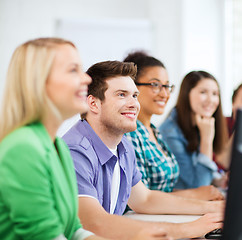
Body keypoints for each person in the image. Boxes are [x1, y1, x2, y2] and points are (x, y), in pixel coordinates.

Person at [62, 60, 224, 240]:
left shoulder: (123, 146)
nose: (133, 104)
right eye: (122, 95)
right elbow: (94, 223)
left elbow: (145, 199)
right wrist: (186, 230)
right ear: (93, 104)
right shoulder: (74, 151)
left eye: (135, 95)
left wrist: (213, 209)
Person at [0, 38, 108, 240]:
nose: (86, 79)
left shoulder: (58, 145)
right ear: (38, 81)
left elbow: (73, 229)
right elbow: (45, 235)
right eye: (73, 70)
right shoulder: (22, 148)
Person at [123, 51, 224, 201]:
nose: (165, 94)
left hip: (168, 214)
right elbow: (141, 200)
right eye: (155, 85)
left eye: (167, 86)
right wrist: (197, 195)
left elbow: (168, 189)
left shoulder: (154, 132)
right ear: (132, 87)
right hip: (149, 219)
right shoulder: (131, 134)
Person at [159, 71, 229, 190]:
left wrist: (219, 180)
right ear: (187, 94)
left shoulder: (199, 122)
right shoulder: (170, 133)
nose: (211, 100)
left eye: (215, 94)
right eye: (203, 92)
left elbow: (201, 173)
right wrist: (206, 140)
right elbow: (199, 186)